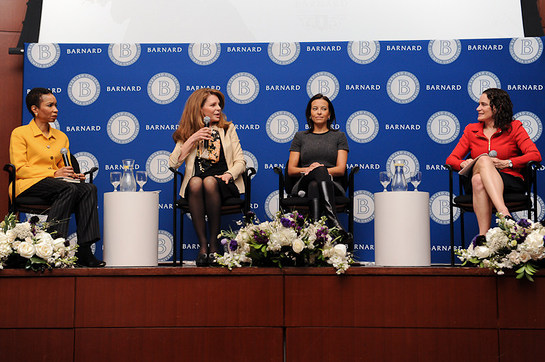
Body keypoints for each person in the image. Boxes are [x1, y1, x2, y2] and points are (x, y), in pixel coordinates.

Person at [9, 87, 105, 267]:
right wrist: (53, 174)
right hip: (27, 184)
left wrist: (73, 175)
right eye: (50, 105)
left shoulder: (61, 137)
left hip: (56, 186)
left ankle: (84, 249)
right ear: (34, 109)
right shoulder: (20, 133)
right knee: (68, 188)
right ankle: (51, 244)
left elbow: (62, 168)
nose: (56, 109)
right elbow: (20, 169)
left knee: (88, 188)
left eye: (56, 105)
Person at [446, 88, 541, 245]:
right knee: (483, 161)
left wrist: (508, 162)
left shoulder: (514, 127)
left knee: (478, 180)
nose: (478, 108)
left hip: (510, 181)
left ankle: (482, 237)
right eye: (479, 104)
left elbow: (535, 155)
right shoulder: (471, 130)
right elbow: (451, 159)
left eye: (483, 104)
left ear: (498, 107)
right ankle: (504, 214)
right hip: (476, 180)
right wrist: (462, 163)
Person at [169, 88, 246, 266]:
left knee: (210, 181)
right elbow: (173, 164)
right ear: (200, 109)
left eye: (219, 105)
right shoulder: (187, 131)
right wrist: (191, 139)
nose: (218, 108)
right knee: (196, 182)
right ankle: (203, 246)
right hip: (196, 186)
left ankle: (213, 246)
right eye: (213, 105)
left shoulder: (227, 128)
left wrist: (229, 174)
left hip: (223, 182)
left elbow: (240, 162)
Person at [287, 93, 352, 247]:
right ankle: (333, 221)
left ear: (329, 114)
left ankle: (316, 231)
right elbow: (291, 169)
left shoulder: (339, 136)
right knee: (317, 173)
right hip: (303, 182)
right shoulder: (300, 136)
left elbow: (341, 169)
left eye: (323, 109)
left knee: (317, 181)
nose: (319, 112)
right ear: (310, 114)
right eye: (315, 109)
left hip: (332, 185)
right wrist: (309, 169)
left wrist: (321, 170)